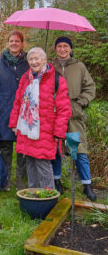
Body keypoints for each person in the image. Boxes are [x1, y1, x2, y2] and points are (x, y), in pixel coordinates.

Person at [9, 47, 72, 189]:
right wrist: (14, 124)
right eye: (31, 59)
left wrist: (58, 132)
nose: (34, 62)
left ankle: (48, 199)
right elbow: (18, 102)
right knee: (30, 162)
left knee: (43, 165)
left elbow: (64, 109)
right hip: (27, 128)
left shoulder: (57, 79)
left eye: (37, 58)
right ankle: (33, 196)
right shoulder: (26, 78)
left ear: (44, 60)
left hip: (46, 131)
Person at [51, 37, 97, 201]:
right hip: (55, 115)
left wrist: (80, 103)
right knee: (56, 150)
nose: (62, 49)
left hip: (73, 116)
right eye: (59, 46)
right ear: (55, 49)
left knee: (78, 151)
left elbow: (90, 88)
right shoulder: (50, 66)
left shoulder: (79, 66)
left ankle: (87, 185)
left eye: (65, 46)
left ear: (70, 49)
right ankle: (57, 182)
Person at [0, 30, 29, 191]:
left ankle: (20, 179)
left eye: (17, 41)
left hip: (24, 111)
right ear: (7, 43)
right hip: (4, 110)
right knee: (5, 147)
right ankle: (5, 179)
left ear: (22, 43)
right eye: (11, 41)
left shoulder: (28, 62)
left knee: (22, 147)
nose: (14, 43)